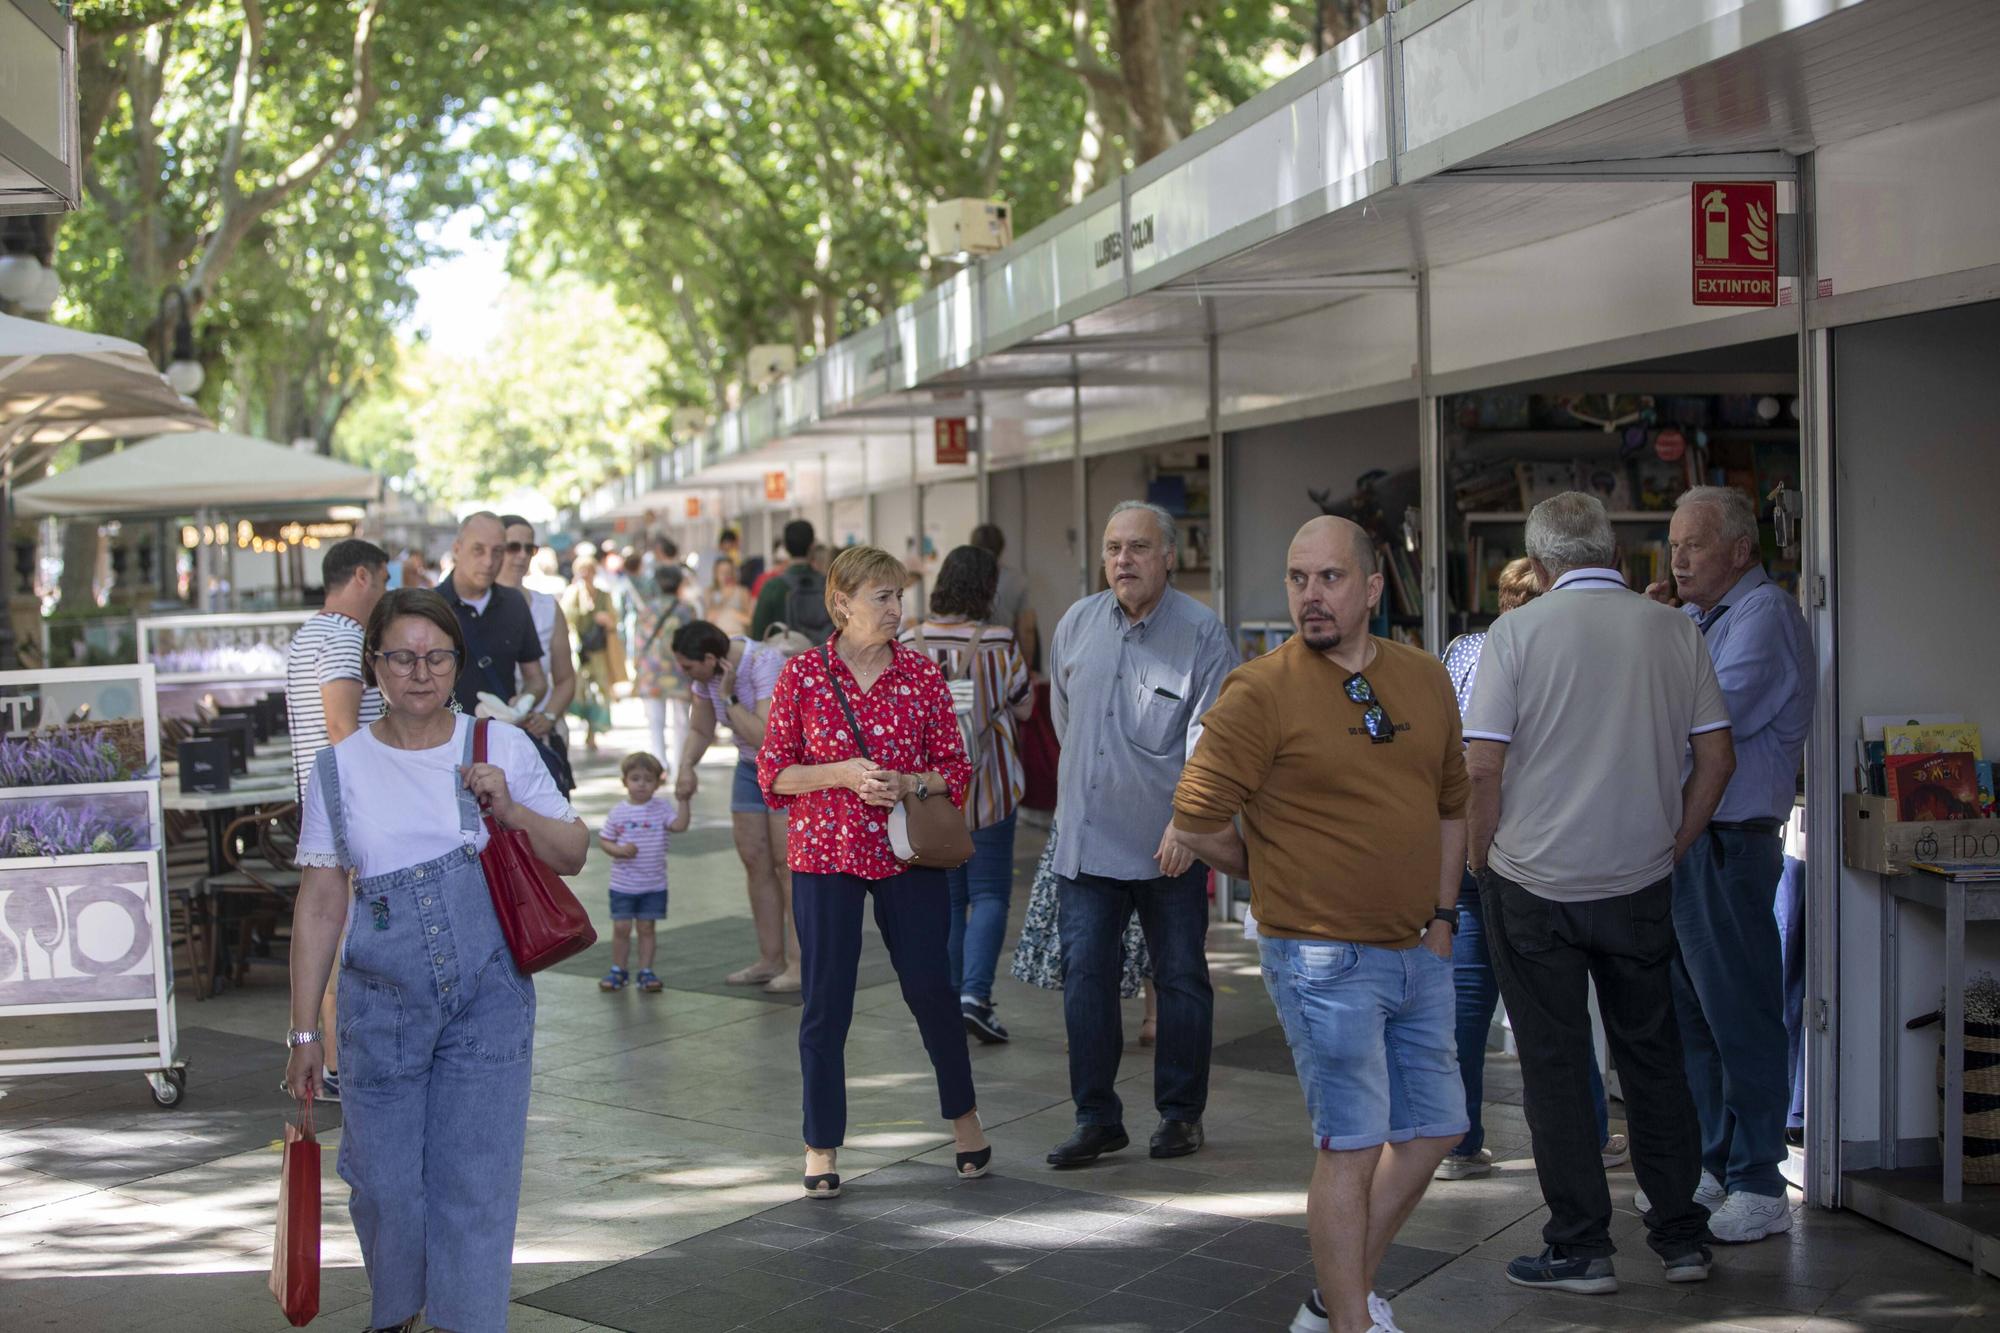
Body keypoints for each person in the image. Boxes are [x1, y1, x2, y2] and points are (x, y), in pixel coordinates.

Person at [1173, 516, 1470, 1333]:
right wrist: (1274, 872)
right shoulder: (1261, 689)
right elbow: (1195, 820)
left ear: (1373, 587)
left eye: (1331, 577)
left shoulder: (1422, 677)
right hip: (1320, 956)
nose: (1312, 594)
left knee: (1440, 1124)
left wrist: (1444, 918)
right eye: (1299, 578)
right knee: (1353, 1142)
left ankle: (1332, 1298)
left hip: (1419, 945)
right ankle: (1352, 1322)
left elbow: (1452, 806)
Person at [285, 588, 589, 1333]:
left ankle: (462, 1321)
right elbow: (322, 902)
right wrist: (303, 1031)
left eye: (437, 656)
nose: (420, 672)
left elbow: (577, 852)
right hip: (378, 1008)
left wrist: (511, 809)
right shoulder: (338, 769)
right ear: (375, 665)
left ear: (457, 662)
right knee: (382, 1184)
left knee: (475, 1182)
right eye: (402, 656)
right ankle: (402, 1310)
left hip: (487, 997)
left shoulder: (499, 745)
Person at [1464, 492, 1736, 1294]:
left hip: (1532, 882)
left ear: (1541, 564)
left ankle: (1581, 1247)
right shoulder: (1673, 629)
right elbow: (1716, 758)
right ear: (1613, 550)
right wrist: (1673, 841)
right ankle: (1682, 1237)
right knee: (1654, 1056)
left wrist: (1481, 861)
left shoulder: (1516, 631)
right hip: (1639, 880)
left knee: (1555, 1064)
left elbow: (1482, 767)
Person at [756, 544, 987, 1198]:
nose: (895, 608)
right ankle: (820, 1143)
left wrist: (909, 778)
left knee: (929, 988)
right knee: (825, 1002)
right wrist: (844, 774)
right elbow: (775, 776)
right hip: (826, 853)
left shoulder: (921, 674)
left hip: (905, 851)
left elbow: (956, 769)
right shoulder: (802, 675)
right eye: (881, 596)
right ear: (842, 603)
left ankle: (966, 1121)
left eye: (898, 595)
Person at [1636, 485, 1814, 1243]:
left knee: (1739, 1010)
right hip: (1686, 838)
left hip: (1732, 840)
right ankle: (1713, 1161)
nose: (1678, 557)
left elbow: (1700, 718)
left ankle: (1760, 1178)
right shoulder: (1695, 618)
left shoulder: (1764, 614)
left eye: (1695, 544)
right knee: (1693, 1014)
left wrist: (1655, 654)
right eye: (1673, 543)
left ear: (1740, 549)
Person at [1044, 500, 1236, 1167]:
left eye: (1138, 547)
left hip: (1171, 846)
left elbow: (1214, 743)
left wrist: (1190, 823)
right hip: (1087, 843)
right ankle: (1096, 1117)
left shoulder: (1202, 633)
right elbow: (1065, 721)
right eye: (1113, 547)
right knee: (1085, 980)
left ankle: (1181, 1114)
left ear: (1169, 556)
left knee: (1181, 978)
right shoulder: (1075, 623)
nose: (1123, 559)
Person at [1436, 557, 1624, 1181]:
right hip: (1530, 849)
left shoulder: (1464, 649)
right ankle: (1592, 1135)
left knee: (1467, 1004)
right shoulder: (1556, 656)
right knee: (1558, 1004)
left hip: (1464, 843)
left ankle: (1458, 1145)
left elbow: (1449, 747)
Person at [900, 545, 1034, 1044]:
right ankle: (976, 996)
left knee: (951, 901)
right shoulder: (999, 641)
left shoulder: (909, 639)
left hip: (932, 794)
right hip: (992, 787)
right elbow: (1023, 708)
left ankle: (952, 997)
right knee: (991, 894)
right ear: (986, 588)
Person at [282, 537, 390, 1104]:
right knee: (343, 933)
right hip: (346, 802)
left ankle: (332, 1061)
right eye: (385, 579)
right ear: (364, 577)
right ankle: (340, 1065)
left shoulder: (308, 635)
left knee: (336, 929)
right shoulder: (346, 638)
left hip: (318, 798)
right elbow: (342, 727)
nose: (387, 592)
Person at [672, 619, 798, 990]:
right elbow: (700, 728)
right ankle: (770, 959)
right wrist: (685, 767)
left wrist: (728, 697)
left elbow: (765, 736)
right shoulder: (705, 677)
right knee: (756, 861)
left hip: (785, 770)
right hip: (748, 771)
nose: (686, 675)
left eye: (689, 667)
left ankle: (800, 963)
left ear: (711, 658)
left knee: (787, 867)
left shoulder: (764, 662)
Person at [1011, 820, 1159, 1043]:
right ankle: (1153, 1018)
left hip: (1086, 824)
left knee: (1086, 930)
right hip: (1145, 822)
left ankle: (1088, 1025)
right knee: (1151, 922)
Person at [433, 512, 550, 726]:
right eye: (478, 550)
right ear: (457, 549)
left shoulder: (514, 603)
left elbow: (536, 678)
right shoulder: (430, 606)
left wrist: (524, 701)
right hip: (442, 739)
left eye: (497, 552)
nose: (488, 561)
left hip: (500, 738)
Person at [497, 515, 578, 796]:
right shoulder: (476, 608)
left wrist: (549, 715)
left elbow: (566, 678)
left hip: (541, 736)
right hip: (492, 737)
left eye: (528, 549)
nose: (521, 556)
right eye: (512, 547)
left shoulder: (547, 607)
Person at [599, 751, 691, 994]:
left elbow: (679, 825)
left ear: (658, 783)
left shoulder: (661, 808)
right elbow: (605, 840)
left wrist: (684, 801)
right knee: (621, 928)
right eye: (635, 778)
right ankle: (618, 969)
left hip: (653, 885)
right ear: (625, 782)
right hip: (623, 885)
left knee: (647, 928)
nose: (641, 784)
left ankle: (646, 971)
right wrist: (618, 850)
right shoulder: (619, 812)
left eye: (648, 779)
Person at [631, 564, 697, 783]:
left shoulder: (647, 609)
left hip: (651, 670)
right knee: (681, 722)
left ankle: (658, 767)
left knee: (655, 722)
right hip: (679, 670)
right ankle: (679, 767)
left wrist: (637, 665)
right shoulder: (686, 610)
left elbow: (639, 641)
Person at [560, 554, 619, 755]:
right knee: (580, 690)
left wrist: (606, 619)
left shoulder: (603, 594)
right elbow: (566, 618)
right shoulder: (572, 594)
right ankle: (586, 726)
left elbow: (614, 619)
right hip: (580, 650)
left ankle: (594, 730)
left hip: (599, 650)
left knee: (600, 691)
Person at [751, 518, 833, 643]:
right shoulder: (830, 584)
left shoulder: (773, 587)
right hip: (823, 658)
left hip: (785, 659)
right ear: (812, 545)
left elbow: (758, 635)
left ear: (785, 547)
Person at [970, 522, 1038, 673]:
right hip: (1002, 659)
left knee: (967, 696)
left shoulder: (962, 578)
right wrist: (1026, 666)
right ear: (1002, 547)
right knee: (999, 696)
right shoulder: (1017, 580)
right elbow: (1027, 629)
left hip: (965, 659)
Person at [706, 556, 754, 637]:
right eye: (721, 572)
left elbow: (749, 620)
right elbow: (708, 619)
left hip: (737, 635)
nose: (725, 575)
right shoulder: (710, 592)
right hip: (718, 637)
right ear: (715, 574)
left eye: (728, 572)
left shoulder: (742, 591)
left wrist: (733, 614)